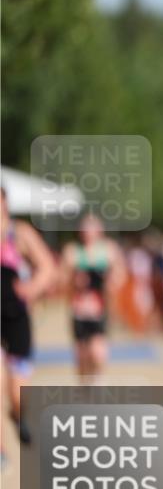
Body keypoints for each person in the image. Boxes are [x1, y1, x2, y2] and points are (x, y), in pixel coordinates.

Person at [1, 185, 56, 455]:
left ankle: (18, 414)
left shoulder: (19, 234)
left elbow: (47, 266)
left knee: (16, 391)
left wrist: (32, 288)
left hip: (16, 318)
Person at [60, 213, 126, 381]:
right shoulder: (72, 251)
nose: (88, 231)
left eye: (92, 227)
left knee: (98, 353)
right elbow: (61, 279)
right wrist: (74, 281)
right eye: (85, 228)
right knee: (82, 356)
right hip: (79, 310)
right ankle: (85, 386)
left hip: (100, 309)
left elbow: (121, 274)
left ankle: (97, 382)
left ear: (100, 230)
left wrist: (111, 282)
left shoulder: (109, 250)